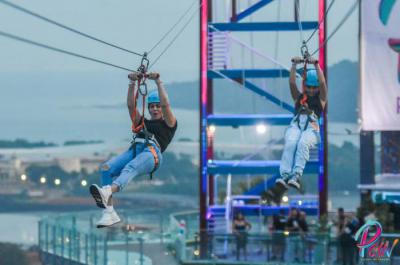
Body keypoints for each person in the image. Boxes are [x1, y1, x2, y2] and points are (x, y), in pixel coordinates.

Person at [89, 72, 177, 228]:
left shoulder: (169, 123)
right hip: (136, 149)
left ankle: (108, 191)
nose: (155, 109)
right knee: (106, 169)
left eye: (157, 106)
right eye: (152, 106)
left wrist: (158, 82)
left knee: (130, 168)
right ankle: (109, 213)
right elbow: (131, 105)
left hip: (152, 154)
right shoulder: (143, 123)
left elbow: (166, 104)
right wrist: (131, 83)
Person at [276, 57, 327, 190]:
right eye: (308, 87)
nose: (311, 90)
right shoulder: (299, 97)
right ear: (305, 86)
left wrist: (316, 65)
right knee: (291, 143)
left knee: (303, 143)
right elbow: (292, 83)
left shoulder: (321, 99)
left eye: (314, 87)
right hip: (297, 125)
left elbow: (322, 84)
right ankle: (285, 175)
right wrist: (294, 65)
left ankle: (296, 175)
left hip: (311, 128)